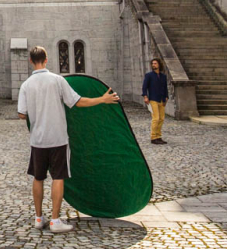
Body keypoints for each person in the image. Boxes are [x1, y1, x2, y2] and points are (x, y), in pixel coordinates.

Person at [16, 44, 119, 233]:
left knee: (38, 178)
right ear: (46, 59)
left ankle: (39, 218)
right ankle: (55, 221)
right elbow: (77, 102)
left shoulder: (26, 85)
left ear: (31, 61)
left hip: (37, 140)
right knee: (58, 177)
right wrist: (102, 99)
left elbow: (22, 114)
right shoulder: (57, 80)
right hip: (57, 138)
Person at [142, 57, 170, 145]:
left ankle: (159, 136)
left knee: (161, 118)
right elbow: (144, 87)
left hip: (161, 99)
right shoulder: (149, 75)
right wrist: (145, 96)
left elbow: (165, 87)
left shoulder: (163, 76)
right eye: (152, 63)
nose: (153, 65)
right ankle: (153, 137)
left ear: (159, 65)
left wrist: (166, 97)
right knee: (156, 118)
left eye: (155, 63)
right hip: (153, 99)